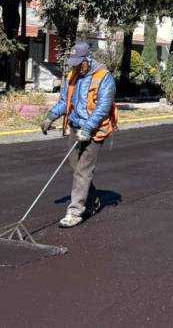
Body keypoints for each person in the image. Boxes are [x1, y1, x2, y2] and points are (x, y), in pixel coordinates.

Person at [40, 42, 118, 228]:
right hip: (75, 127)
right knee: (75, 169)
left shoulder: (103, 77)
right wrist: (51, 115)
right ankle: (92, 201)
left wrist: (88, 128)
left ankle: (75, 211)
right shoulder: (71, 76)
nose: (75, 67)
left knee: (83, 170)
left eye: (78, 63)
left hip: (95, 130)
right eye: (73, 64)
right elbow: (65, 101)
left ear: (87, 59)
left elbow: (103, 107)